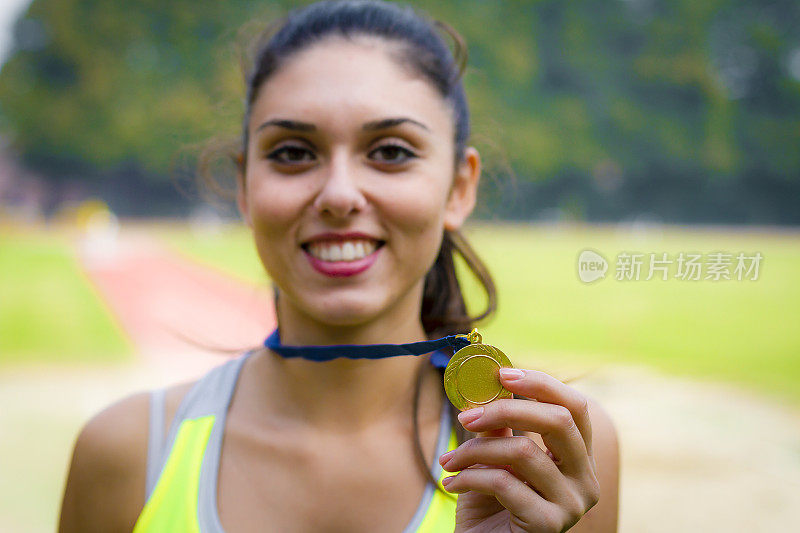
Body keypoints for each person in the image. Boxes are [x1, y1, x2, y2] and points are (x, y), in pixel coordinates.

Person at [58, 1, 619, 531]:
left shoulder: (552, 458)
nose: (339, 194)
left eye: (392, 151)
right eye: (293, 153)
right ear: (245, 188)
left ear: (459, 187)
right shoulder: (126, 452)